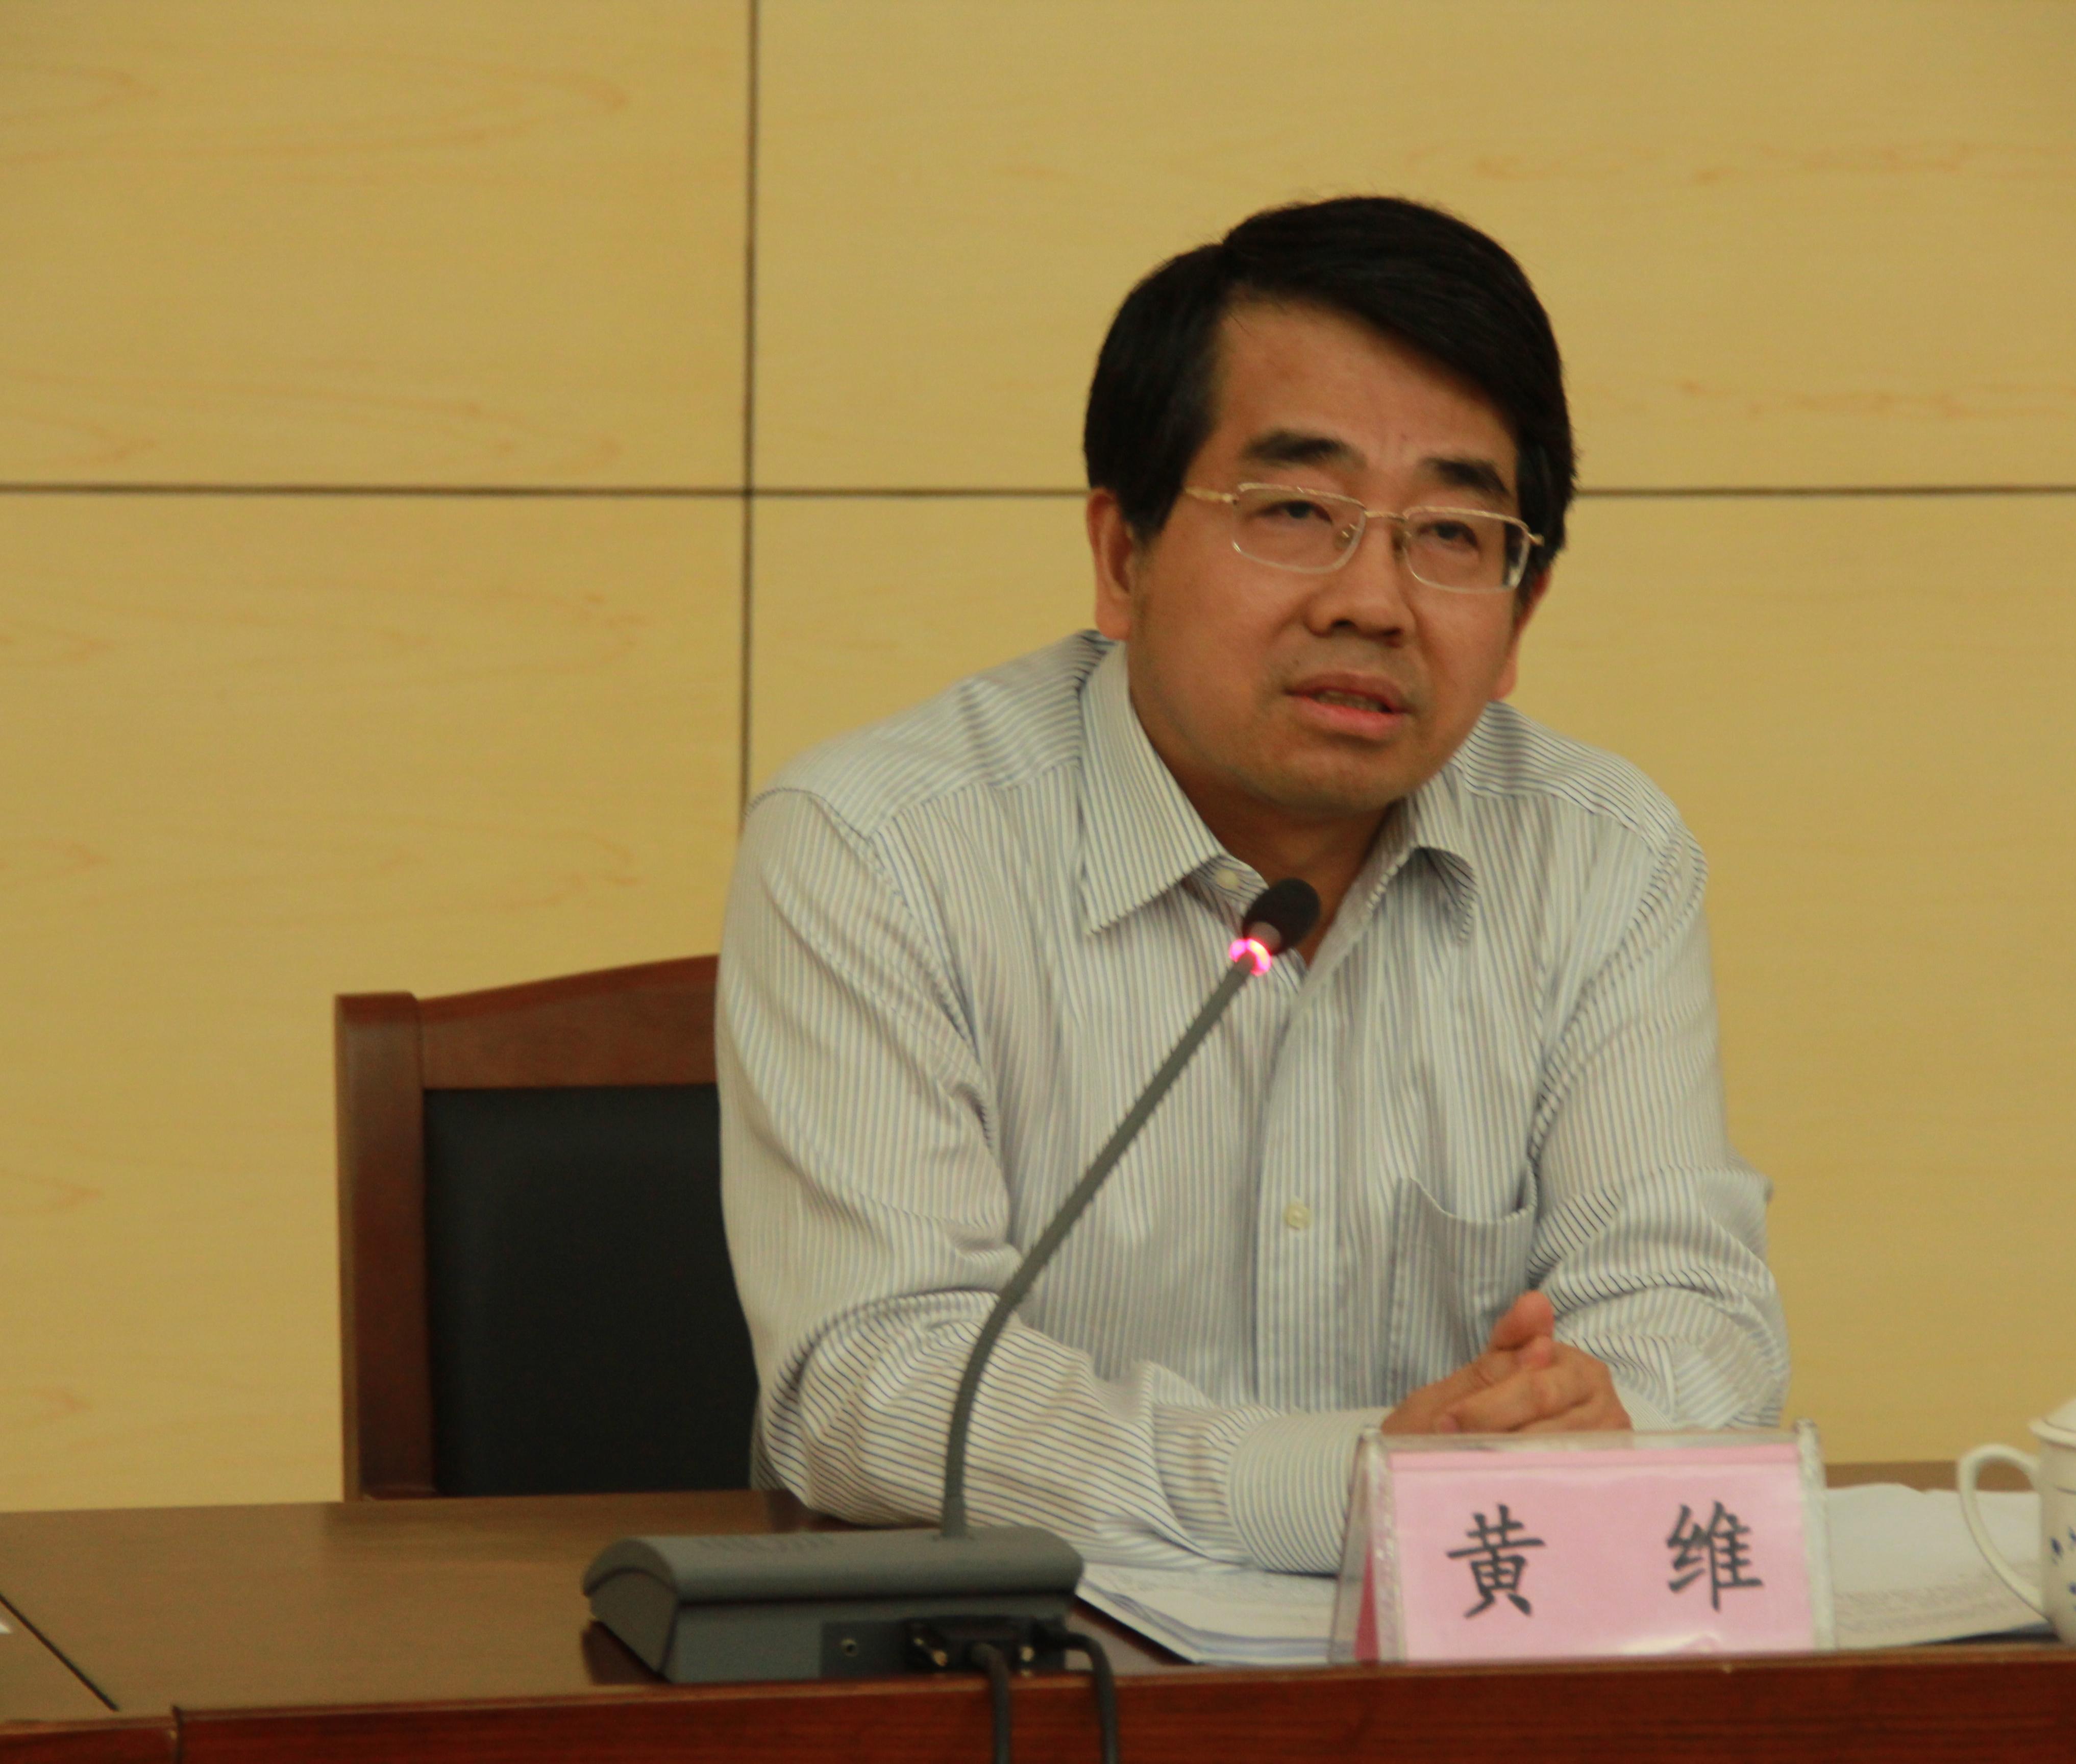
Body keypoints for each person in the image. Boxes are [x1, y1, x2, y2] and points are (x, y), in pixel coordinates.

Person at [718, 196, 1787, 1574]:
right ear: (1123, 556)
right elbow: (880, 1379)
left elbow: (1690, 1299)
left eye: (1453, 535)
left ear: (1520, 615)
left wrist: (1594, 1419)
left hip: (1472, 1641)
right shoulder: (880, 850)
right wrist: (1347, 1483)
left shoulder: (1600, 855)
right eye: (1296, 511)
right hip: (1032, 1665)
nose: (1372, 601)